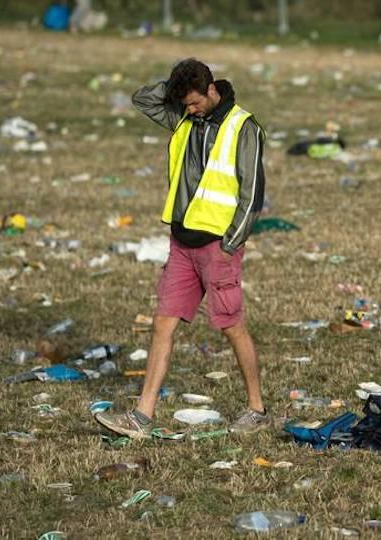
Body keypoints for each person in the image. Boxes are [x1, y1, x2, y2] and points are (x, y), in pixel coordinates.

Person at [94, 59, 268, 438]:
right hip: (182, 243)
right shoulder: (184, 118)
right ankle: (142, 416)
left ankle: (256, 409)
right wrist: (175, 87)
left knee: (231, 327)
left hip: (218, 246)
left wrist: (231, 244)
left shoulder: (243, 127)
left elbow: (252, 192)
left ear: (211, 90)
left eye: (193, 103)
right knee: (163, 323)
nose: (188, 110)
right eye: (183, 104)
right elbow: (143, 99)